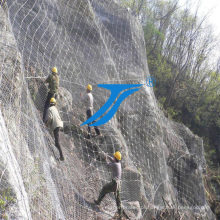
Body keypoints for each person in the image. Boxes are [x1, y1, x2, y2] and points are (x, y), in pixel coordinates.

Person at [94, 151, 123, 219]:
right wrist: (106, 155)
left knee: (104, 188)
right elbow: (113, 160)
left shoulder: (114, 165)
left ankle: (98, 201)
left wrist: (105, 158)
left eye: (114, 157)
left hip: (115, 183)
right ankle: (121, 216)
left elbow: (107, 164)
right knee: (118, 200)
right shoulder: (119, 163)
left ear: (115, 158)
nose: (113, 157)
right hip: (119, 184)